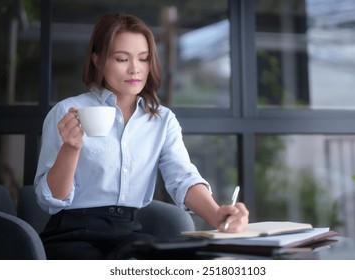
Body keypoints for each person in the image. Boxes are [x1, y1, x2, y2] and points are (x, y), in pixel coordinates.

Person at [34, 13, 249, 260]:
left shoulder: (161, 119)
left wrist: (216, 214)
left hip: (128, 232)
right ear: (97, 60)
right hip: (71, 233)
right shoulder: (67, 112)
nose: (135, 69)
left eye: (143, 59)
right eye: (122, 58)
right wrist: (70, 149)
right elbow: (50, 200)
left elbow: (183, 177)